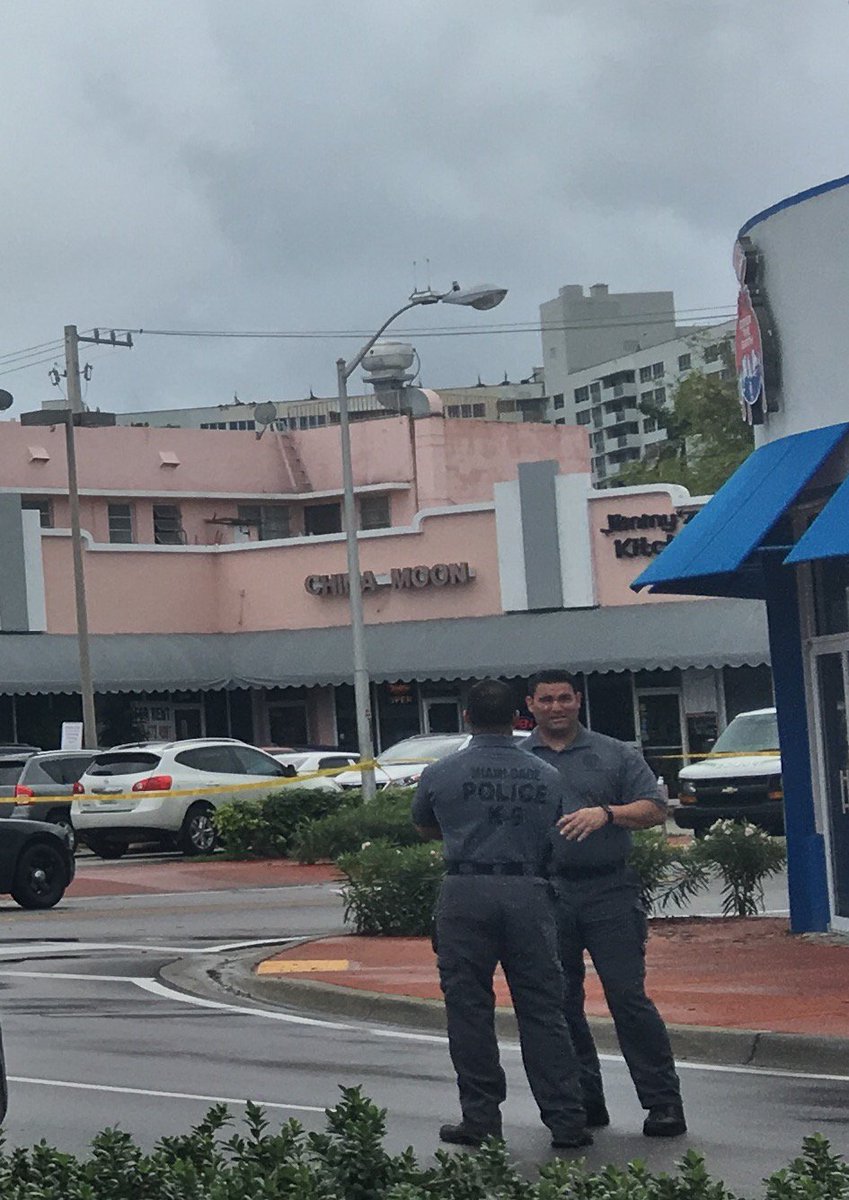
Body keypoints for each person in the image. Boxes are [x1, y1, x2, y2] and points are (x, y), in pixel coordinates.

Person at [412, 678, 592, 1150]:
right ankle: (566, 1119)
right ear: (520, 718)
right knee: (542, 1008)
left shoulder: (441, 773)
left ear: (467, 717)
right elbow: (554, 825)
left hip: (465, 891)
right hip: (528, 892)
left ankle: (481, 1117)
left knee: (468, 1009)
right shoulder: (547, 775)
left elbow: (426, 825)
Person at [524, 668, 687, 1139]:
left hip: (609, 891)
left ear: (578, 700)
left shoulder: (614, 753)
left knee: (628, 998)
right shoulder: (519, 760)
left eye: (564, 698)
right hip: (547, 893)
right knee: (561, 1003)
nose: (556, 707)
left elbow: (655, 809)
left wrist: (608, 814)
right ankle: (584, 1102)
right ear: (530, 705)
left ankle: (663, 1103)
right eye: (546, 700)